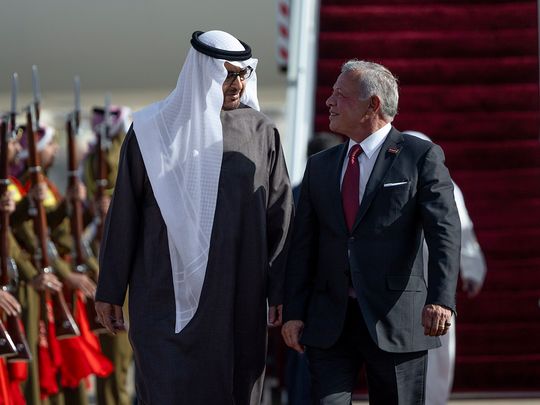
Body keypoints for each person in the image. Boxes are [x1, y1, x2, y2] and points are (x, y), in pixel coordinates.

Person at [95, 30, 294, 404]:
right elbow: (124, 215)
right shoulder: (152, 130)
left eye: (242, 74)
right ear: (204, 73)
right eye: (227, 74)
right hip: (162, 294)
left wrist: (281, 290)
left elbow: (279, 216)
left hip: (237, 293)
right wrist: (109, 289)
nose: (236, 84)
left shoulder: (261, 132)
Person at [281, 60, 461, 405]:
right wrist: (294, 311)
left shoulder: (420, 156)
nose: (329, 102)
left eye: (340, 95)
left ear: (373, 105)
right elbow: (303, 245)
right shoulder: (320, 166)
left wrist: (441, 299)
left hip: (396, 319)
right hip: (330, 321)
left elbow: (445, 232)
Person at [404, 130, 487, 405]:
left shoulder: (445, 184)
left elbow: (461, 231)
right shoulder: (386, 179)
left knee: (438, 347)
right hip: (398, 283)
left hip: (436, 280)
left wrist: (472, 269)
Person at [82, 105, 134, 405]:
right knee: (106, 358)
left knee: (119, 360)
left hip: (121, 261)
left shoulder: (122, 150)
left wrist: (112, 200)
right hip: (97, 259)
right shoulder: (94, 157)